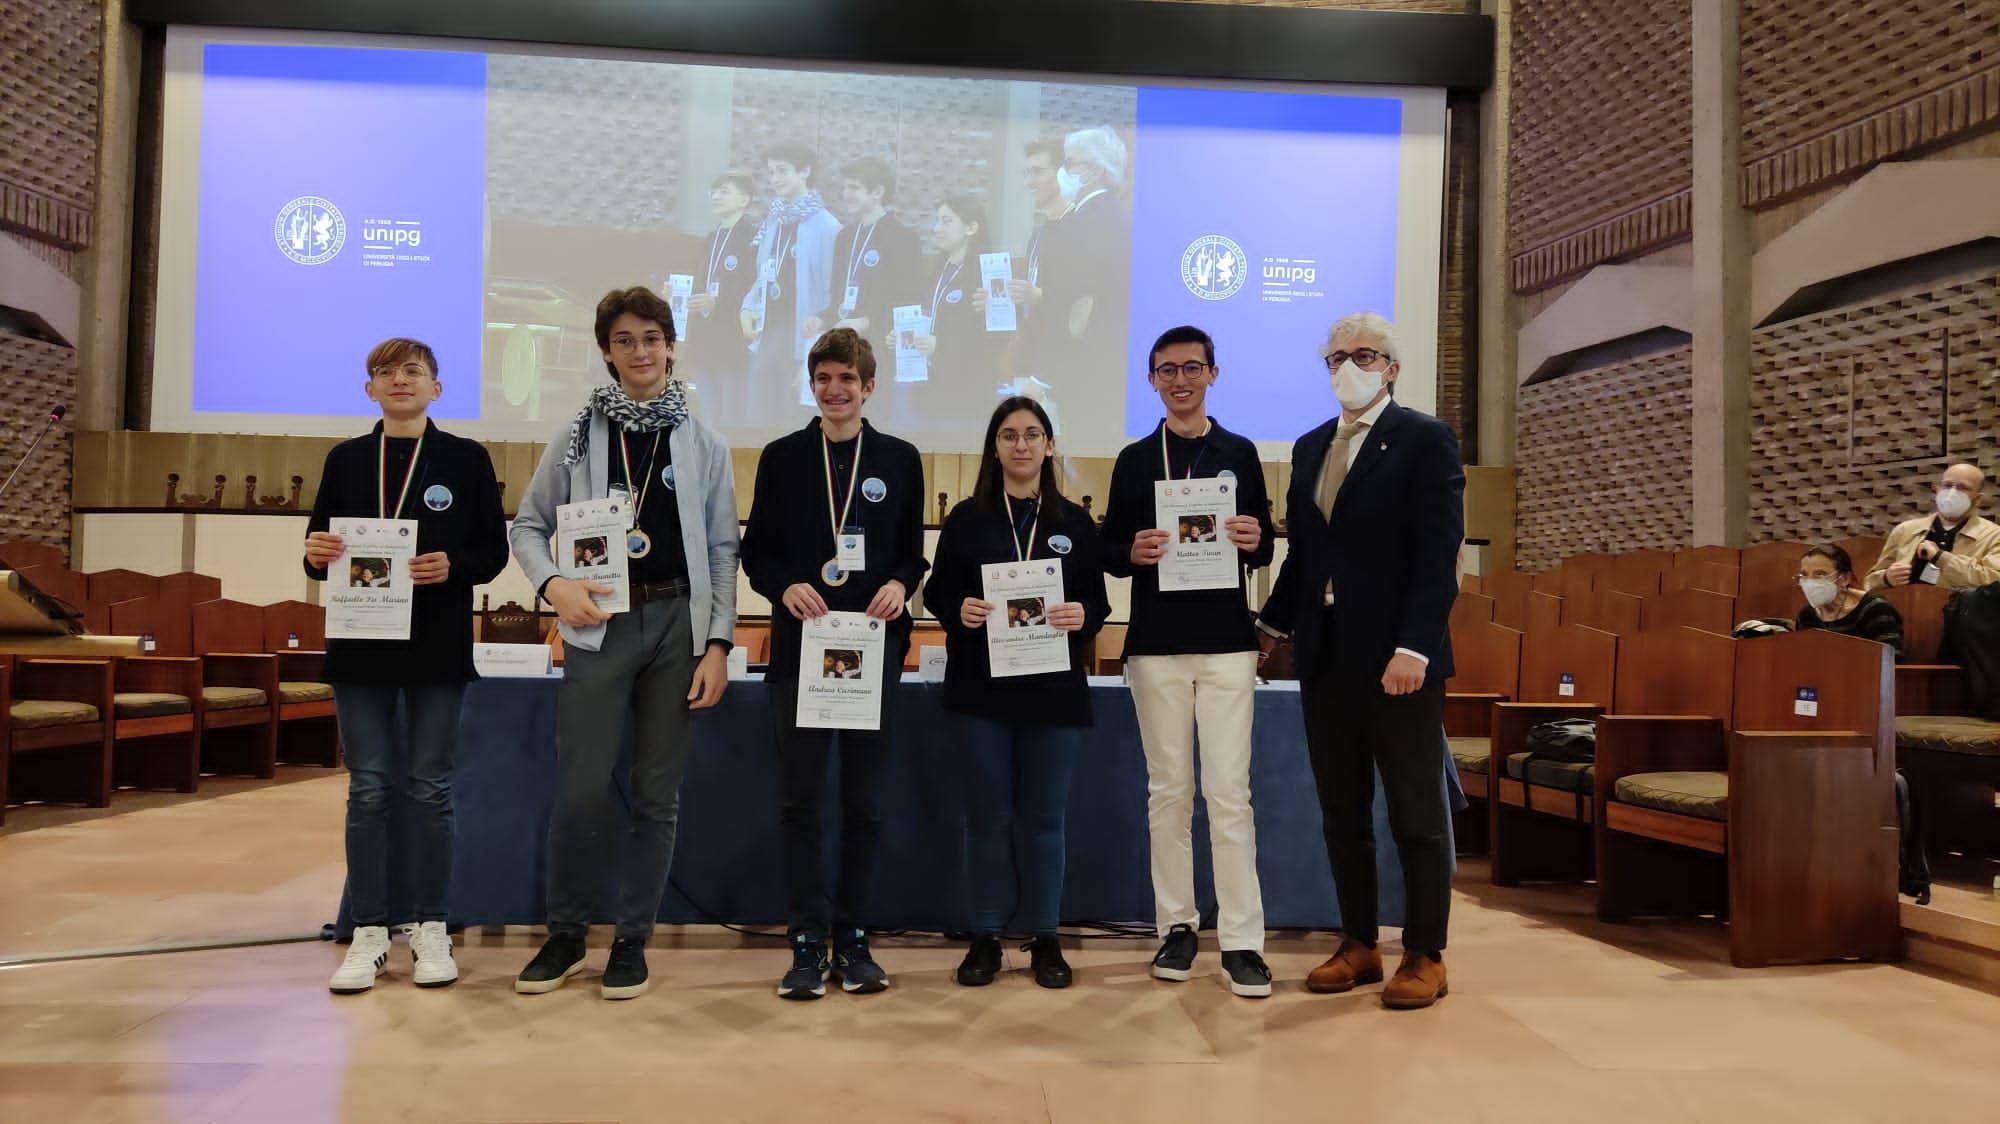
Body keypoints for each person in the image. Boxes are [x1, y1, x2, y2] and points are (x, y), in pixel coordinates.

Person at [510, 286, 739, 1000]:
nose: (640, 351)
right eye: (625, 340)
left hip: (677, 625)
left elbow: (723, 549)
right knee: (580, 792)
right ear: (607, 352)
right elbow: (526, 526)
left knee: (655, 797)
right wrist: (553, 586)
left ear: (671, 346)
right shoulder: (576, 438)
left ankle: (632, 941)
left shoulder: (703, 444)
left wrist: (719, 645)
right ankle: (568, 934)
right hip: (598, 625)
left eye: (652, 338)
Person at [1256, 311, 1463, 1010]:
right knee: (1341, 811)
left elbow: (1438, 559)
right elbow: (1305, 556)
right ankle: (1359, 943)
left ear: (1392, 367)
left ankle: (1426, 953)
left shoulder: (1424, 440)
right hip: (1326, 657)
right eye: (1338, 356)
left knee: (1414, 813)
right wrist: (1269, 628)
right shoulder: (1312, 446)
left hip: (1399, 660)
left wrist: (1415, 648)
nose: (1350, 366)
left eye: (1365, 355)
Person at [303, 337, 508, 994]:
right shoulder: (346, 459)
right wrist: (316, 551)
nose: (399, 380)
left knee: (428, 789)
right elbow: (314, 551)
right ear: (369, 390)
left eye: (413, 371)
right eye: (385, 372)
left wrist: (455, 566)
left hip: (435, 646)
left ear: (436, 388)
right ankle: (367, 932)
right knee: (369, 790)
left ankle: (431, 928)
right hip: (360, 645)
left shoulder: (465, 459)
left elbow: (492, 552)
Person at [740, 327, 928, 1000]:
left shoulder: (900, 459)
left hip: (873, 653)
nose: (836, 389)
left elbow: (913, 553)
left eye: (848, 378)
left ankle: (852, 938)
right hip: (801, 654)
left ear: (869, 386)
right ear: (812, 385)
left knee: (864, 804)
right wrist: (782, 584)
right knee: (800, 804)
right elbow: (756, 551)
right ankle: (803, 940)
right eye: (824, 378)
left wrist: (903, 585)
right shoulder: (784, 457)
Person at [1099, 325, 1276, 998]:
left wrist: (1257, 537)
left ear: (1212, 373)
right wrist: (1131, 552)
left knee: (1229, 796)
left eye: (1192, 367)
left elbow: (1258, 546)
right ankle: (1176, 926)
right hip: (1156, 647)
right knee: (1168, 794)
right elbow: (1109, 548)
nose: (1180, 379)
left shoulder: (1241, 453)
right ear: (1151, 380)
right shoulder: (1135, 459)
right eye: (1167, 370)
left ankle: (1242, 941)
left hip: (1229, 644)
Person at [923, 396, 1108, 989]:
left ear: (1049, 446)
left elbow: (1097, 603)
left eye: (1032, 434)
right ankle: (983, 936)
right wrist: (960, 609)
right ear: (994, 447)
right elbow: (936, 595)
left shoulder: (1074, 524)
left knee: (1044, 818)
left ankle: (1046, 938)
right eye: (1009, 435)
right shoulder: (967, 519)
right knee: (986, 818)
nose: (1021, 445)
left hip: (1053, 692)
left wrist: (1083, 614)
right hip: (982, 690)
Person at [889, 195, 1003, 433]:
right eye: (937, 221)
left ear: (971, 227)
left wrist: (941, 345)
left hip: (966, 393)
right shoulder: (939, 269)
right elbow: (930, 318)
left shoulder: (989, 273)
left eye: (947, 221)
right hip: (930, 389)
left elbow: (997, 338)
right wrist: (903, 335)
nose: (937, 228)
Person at [742, 144, 841, 416]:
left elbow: (830, 292)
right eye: (771, 172)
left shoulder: (826, 226)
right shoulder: (774, 219)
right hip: (769, 329)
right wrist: (747, 307)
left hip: (801, 333)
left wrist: (818, 347)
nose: (775, 178)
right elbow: (762, 274)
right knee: (758, 409)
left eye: (782, 171)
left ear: (805, 171)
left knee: (791, 415)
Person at [984, 136, 1073, 386]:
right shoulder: (1040, 229)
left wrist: (1038, 295)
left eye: (1038, 172)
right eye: (1027, 172)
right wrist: (1000, 298)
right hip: (1031, 352)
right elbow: (1033, 294)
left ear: (1063, 173)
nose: (1029, 181)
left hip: (1058, 366)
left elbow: (1077, 300)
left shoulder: (1075, 227)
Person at [804, 158, 921, 346]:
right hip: (843, 344)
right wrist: (821, 318)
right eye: (844, 188)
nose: (845, 194)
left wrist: (867, 322)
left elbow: (908, 299)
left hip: (880, 345)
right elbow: (837, 298)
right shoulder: (845, 237)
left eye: (854, 188)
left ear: (878, 192)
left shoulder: (903, 238)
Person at [1053, 126, 1132, 381]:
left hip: (1085, 360)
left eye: (1069, 163)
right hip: (1108, 353)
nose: (1062, 171)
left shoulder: (1087, 219)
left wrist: (1061, 359)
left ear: (1095, 171)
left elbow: (1082, 295)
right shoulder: (1114, 213)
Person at [686, 171, 758, 427]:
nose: (716, 196)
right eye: (714, 191)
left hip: (734, 339)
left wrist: (721, 304)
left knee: (733, 416)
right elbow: (702, 283)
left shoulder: (753, 236)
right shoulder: (713, 237)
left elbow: (754, 288)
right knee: (708, 417)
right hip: (707, 338)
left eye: (724, 191)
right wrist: (679, 293)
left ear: (744, 199)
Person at [1863, 463, 2000, 591]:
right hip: (1905, 610)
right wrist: (1886, 578)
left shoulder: (1993, 535)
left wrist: (1941, 558)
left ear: (1978, 499)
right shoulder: (1905, 530)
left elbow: (1994, 581)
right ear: (1937, 489)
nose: (1952, 493)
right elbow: (1868, 582)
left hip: (1960, 614)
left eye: (1962, 487)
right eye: (1947, 485)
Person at [1795, 544, 1904, 655]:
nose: (1809, 582)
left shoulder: (1875, 609)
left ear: (1845, 579)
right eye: (1804, 575)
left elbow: (1891, 659)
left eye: (1820, 575)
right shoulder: (1806, 615)